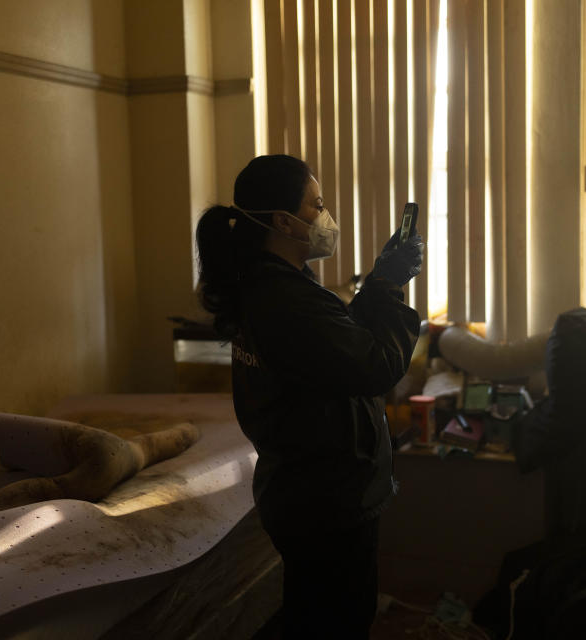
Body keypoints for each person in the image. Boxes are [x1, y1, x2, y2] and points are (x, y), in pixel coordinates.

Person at [195, 154, 424, 638]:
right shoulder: (283, 299)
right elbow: (373, 365)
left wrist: (380, 284)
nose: (325, 217)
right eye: (316, 206)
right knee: (335, 624)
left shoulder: (274, 287)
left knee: (312, 616)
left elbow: (336, 347)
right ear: (283, 221)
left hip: (307, 492)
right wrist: (388, 287)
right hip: (326, 499)